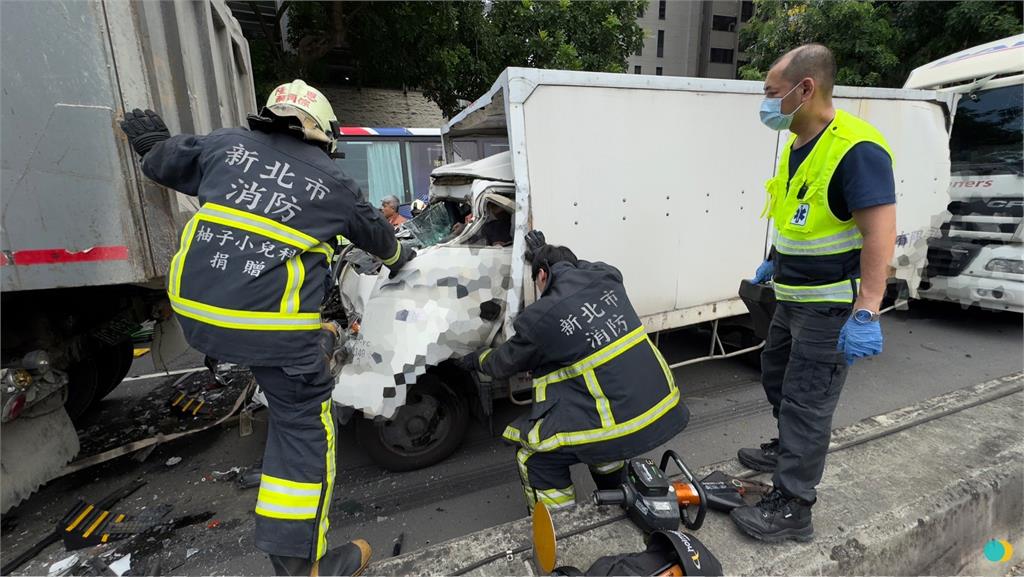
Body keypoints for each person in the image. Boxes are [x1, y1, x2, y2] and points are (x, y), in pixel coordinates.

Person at [119, 80, 415, 576]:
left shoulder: (226, 145)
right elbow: (385, 243)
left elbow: (162, 161)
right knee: (302, 427)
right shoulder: (335, 184)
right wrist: (404, 257)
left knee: (312, 339)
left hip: (196, 318)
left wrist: (150, 142)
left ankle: (319, 340)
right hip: (269, 333)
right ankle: (304, 567)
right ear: (325, 134)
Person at [730, 44, 896, 543]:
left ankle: (793, 507)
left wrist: (867, 308)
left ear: (806, 89)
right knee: (776, 375)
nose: (765, 104)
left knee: (808, 401)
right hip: (791, 297)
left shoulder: (856, 149)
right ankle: (788, 448)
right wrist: (775, 262)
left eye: (771, 94)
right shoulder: (798, 145)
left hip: (828, 308)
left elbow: (879, 234)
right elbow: (801, 217)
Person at [461, 232, 689, 513]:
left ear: (542, 275)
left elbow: (502, 364)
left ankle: (562, 525)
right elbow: (578, 270)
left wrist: (475, 359)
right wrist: (545, 252)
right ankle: (618, 497)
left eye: (537, 280)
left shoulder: (543, 316)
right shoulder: (608, 280)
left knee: (534, 457)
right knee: (600, 439)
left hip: (621, 424)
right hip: (662, 407)